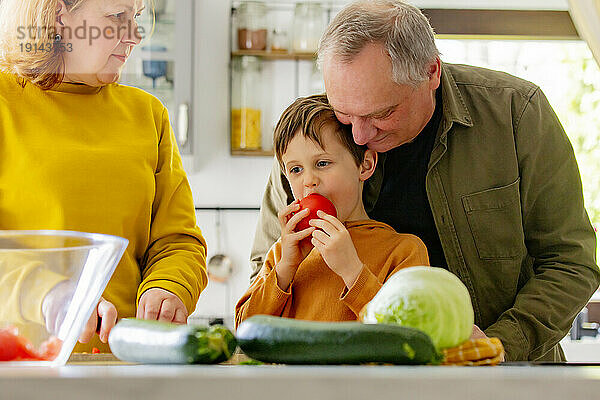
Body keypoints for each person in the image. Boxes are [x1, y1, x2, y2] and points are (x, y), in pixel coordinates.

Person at [250, 0, 600, 361]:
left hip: (510, 378)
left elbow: (569, 263)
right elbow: (267, 267)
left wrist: (500, 344)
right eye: (344, 113)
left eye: (381, 114)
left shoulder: (516, 113)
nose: (358, 135)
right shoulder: (311, 142)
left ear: (431, 71)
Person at [0, 0, 207, 352]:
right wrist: (49, 294)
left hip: (127, 366)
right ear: (60, 15)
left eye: (136, 18)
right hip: (22, 367)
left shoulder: (148, 114)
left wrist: (169, 285)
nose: (135, 36)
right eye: (116, 17)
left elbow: (178, 240)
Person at [235, 94, 429, 327]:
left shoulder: (403, 251)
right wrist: (285, 270)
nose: (309, 180)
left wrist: (352, 271)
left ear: (365, 165)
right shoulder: (281, 253)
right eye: (296, 169)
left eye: (322, 163)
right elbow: (244, 330)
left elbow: (413, 332)